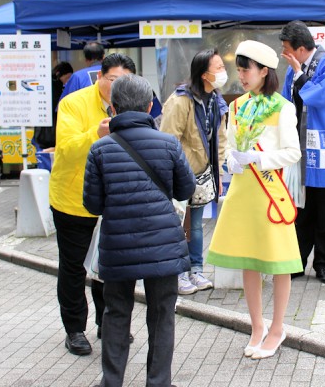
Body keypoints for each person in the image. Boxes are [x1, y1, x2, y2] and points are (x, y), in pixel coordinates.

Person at [84, 74, 195, 387]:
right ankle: (158, 382)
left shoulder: (100, 149)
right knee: (162, 313)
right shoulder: (169, 143)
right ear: (149, 106)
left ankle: (112, 382)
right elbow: (186, 188)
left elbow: (93, 204)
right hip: (163, 243)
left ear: (113, 109)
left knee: (116, 313)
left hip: (118, 245)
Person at [207, 40, 302, 360]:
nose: (242, 75)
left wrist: (258, 159)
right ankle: (257, 326)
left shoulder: (283, 107)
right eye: (240, 69)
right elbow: (229, 146)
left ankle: (277, 328)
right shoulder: (236, 106)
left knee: (278, 262)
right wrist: (231, 161)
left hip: (269, 191)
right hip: (243, 191)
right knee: (249, 260)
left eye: (247, 69)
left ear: (264, 71)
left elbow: (293, 152)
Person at [49, 53, 136, 356]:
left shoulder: (131, 105)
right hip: (73, 200)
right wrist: (95, 134)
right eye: (112, 80)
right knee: (73, 269)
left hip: (112, 202)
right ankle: (74, 329)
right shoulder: (73, 103)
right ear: (100, 75)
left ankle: (108, 323)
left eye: (123, 81)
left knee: (109, 267)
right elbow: (67, 151)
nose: (117, 87)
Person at [279, 20, 325, 285]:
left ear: (298, 49)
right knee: (301, 210)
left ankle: (323, 265)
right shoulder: (290, 72)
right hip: (301, 147)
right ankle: (297, 262)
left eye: (286, 49)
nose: (284, 54)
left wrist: (299, 75)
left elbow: (317, 97)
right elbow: (287, 105)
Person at [160, 48, 228, 295]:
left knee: (196, 225)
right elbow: (169, 140)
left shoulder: (216, 101)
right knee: (179, 225)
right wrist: (176, 174)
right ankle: (178, 274)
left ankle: (196, 270)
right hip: (179, 174)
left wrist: (217, 173)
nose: (223, 72)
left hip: (203, 174)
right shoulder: (180, 101)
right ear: (203, 73)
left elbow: (220, 139)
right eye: (218, 68)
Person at [33, 61, 74, 150]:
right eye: (67, 78)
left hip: (42, 133)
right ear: (59, 74)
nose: (67, 81)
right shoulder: (54, 87)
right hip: (49, 134)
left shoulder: (51, 84)